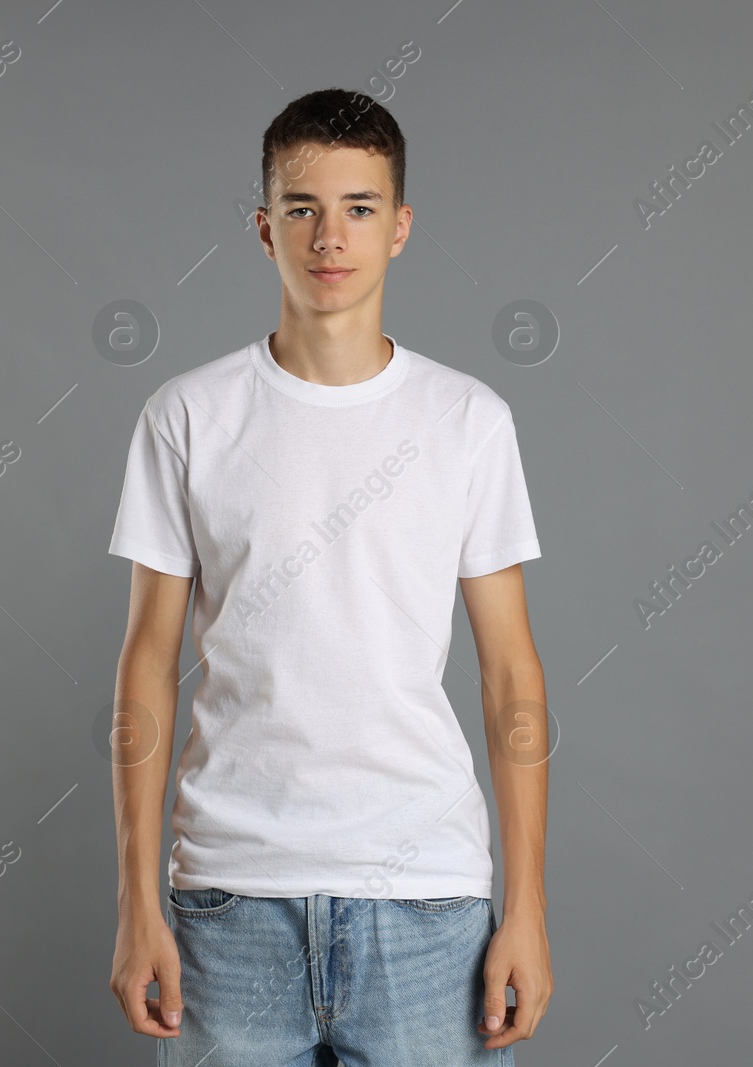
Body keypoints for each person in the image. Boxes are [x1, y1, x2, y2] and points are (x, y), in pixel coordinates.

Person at [106, 87, 552, 1066]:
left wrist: (525, 910)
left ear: (399, 227)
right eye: (302, 208)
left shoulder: (467, 421)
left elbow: (512, 675)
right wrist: (138, 903)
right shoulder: (186, 416)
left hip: (430, 908)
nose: (329, 235)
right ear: (266, 229)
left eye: (357, 207)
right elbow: (146, 666)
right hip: (227, 907)